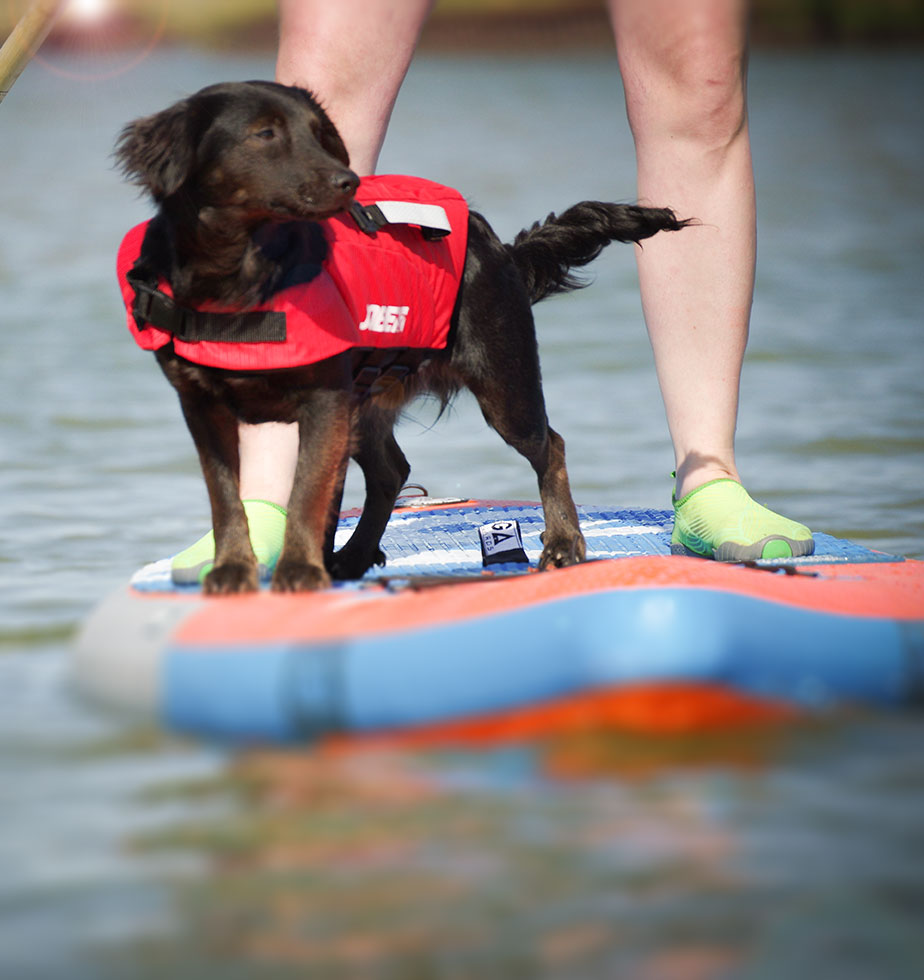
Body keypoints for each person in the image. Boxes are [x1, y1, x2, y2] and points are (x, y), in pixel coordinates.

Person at [171, 0, 813, 583]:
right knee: (328, 89)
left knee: (700, 84)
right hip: (354, 334)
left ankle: (708, 479)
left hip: (467, 303)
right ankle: (268, 496)